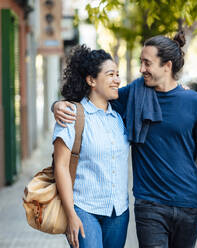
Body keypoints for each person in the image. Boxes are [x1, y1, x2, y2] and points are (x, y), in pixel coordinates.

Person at [54, 30, 197, 248]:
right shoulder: (133, 95)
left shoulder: (196, 102)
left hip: (188, 203)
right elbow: (96, 98)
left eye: (147, 63)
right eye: (141, 62)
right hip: (149, 204)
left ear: (167, 66)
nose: (141, 69)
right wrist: (57, 105)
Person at [53, 44, 130, 248]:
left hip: (118, 212)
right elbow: (60, 166)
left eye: (118, 74)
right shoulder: (72, 115)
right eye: (111, 74)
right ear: (91, 80)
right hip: (83, 208)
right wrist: (70, 215)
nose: (117, 80)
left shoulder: (119, 116)